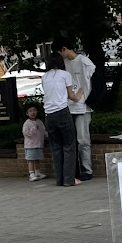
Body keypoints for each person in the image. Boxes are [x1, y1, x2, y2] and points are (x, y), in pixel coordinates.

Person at [54, 36, 97, 181]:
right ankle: (74, 171)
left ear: (64, 49)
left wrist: (88, 99)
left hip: (83, 106)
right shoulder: (63, 65)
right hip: (67, 106)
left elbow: (93, 82)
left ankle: (86, 170)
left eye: (59, 52)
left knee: (83, 139)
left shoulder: (85, 62)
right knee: (70, 141)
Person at [41, 52, 80, 186]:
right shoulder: (65, 75)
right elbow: (71, 95)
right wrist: (80, 93)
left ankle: (59, 179)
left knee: (56, 147)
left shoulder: (44, 77)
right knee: (69, 146)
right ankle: (69, 179)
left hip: (48, 115)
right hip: (62, 112)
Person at [22, 104, 48, 181]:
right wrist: (33, 129)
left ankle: (37, 172)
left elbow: (43, 131)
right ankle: (31, 174)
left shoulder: (39, 122)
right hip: (30, 145)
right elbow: (26, 133)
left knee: (37, 159)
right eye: (30, 111)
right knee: (30, 160)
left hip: (39, 144)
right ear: (27, 113)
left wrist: (48, 135)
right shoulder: (27, 123)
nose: (33, 112)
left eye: (34, 110)